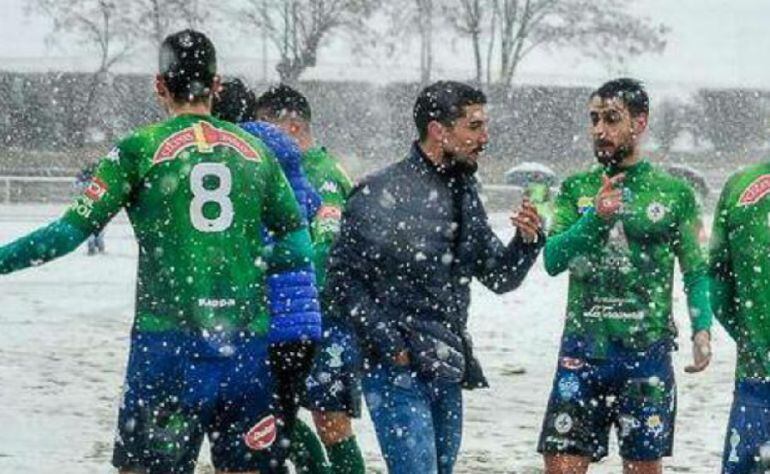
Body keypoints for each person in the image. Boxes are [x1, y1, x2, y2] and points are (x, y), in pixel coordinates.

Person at [0, 29, 320, 474]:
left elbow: (68, 232)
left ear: (159, 85)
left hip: (167, 345)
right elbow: (298, 242)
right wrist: (251, 264)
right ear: (216, 85)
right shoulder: (256, 153)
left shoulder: (138, 149)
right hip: (244, 346)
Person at [324, 80, 543, 474]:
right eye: (474, 127)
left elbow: (499, 276)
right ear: (439, 130)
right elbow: (341, 283)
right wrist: (391, 344)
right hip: (395, 368)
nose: (484, 138)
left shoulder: (465, 193)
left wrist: (527, 242)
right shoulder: (379, 191)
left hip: (448, 363)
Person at [537, 78, 712, 474]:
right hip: (581, 355)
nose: (599, 129)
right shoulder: (576, 187)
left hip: (645, 358)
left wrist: (702, 328)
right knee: (561, 467)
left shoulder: (673, 193)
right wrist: (595, 220)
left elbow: (696, 271)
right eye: (594, 119)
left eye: (612, 119)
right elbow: (551, 259)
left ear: (640, 122)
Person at [212, 79, 332, 474]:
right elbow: (312, 205)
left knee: (251, 445)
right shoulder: (283, 152)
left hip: (260, 323)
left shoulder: (227, 157)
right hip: (302, 325)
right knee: (276, 431)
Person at [255, 84, 364, 474]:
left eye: (265, 128)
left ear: (294, 128)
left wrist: (294, 280)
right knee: (271, 411)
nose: (259, 138)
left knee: (330, 421)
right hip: (288, 317)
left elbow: (326, 243)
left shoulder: (324, 174)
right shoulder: (277, 170)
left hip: (326, 317)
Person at [710, 151, 770, 473]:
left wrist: (753, 335)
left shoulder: (739, 185)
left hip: (757, 378)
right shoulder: (739, 187)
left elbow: (717, 284)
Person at [75, 161, 106, 254]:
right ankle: (97, 244)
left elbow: (78, 189)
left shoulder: (83, 181)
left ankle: (93, 245)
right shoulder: (100, 180)